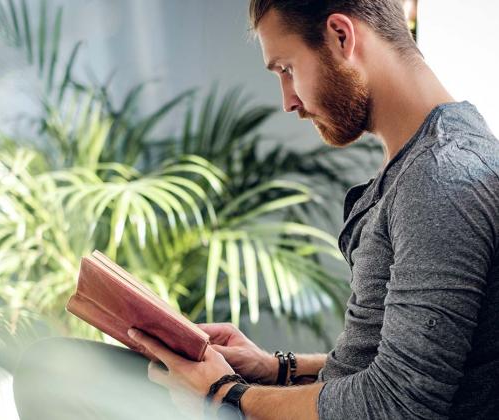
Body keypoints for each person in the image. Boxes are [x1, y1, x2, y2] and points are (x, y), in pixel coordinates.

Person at [80, 0, 499, 419]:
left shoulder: (441, 177)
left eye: (287, 69)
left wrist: (224, 394)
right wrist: (276, 368)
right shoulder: (427, 162)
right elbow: (392, 362)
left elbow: (398, 404)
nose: (288, 101)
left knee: (58, 372)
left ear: (340, 36)